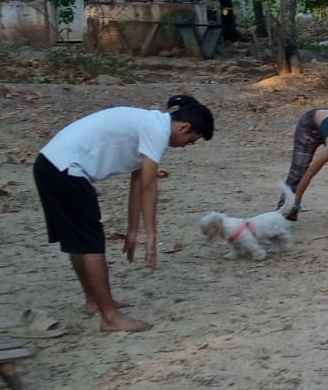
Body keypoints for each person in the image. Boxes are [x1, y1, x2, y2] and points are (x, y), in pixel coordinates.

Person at [33, 94, 215, 333]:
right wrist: (151, 237)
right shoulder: (156, 130)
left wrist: (133, 230)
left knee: (78, 241)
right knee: (90, 244)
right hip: (66, 170)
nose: (184, 146)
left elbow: (137, 182)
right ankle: (110, 317)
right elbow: (150, 186)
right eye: (190, 140)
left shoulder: (151, 124)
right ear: (184, 127)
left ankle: (93, 301)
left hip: (51, 164)